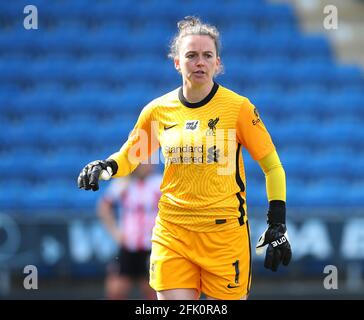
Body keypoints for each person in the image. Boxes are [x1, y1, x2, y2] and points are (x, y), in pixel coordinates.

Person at [78, 16, 292, 300]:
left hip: (224, 235)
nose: (199, 62)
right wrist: (105, 167)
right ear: (177, 62)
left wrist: (276, 222)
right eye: (191, 55)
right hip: (173, 233)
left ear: (218, 63)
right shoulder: (157, 111)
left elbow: (273, 167)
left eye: (207, 55)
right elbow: (131, 157)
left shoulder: (238, 108)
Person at [97, 164, 161, 300]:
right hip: (128, 245)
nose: (145, 166)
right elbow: (103, 207)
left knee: (153, 290)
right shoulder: (123, 184)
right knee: (116, 289)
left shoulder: (160, 183)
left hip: (152, 246)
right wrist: (115, 232)